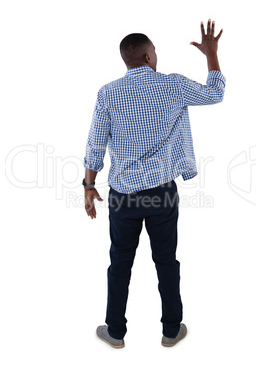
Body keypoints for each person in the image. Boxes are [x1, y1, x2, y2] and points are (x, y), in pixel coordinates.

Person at [83, 19, 226, 348]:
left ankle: (115, 333)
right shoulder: (173, 85)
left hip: (123, 196)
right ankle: (171, 331)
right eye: (155, 52)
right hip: (162, 193)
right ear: (148, 57)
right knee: (166, 261)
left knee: (119, 262)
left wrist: (88, 187)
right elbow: (216, 93)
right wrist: (211, 54)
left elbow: (94, 145)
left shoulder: (108, 93)